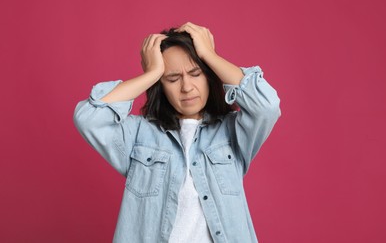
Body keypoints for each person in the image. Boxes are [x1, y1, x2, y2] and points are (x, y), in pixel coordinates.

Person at [73, 22, 281, 243]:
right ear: (160, 86)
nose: (187, 87)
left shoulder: (231, 132)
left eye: (196, 73)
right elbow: (88, 118)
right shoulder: (138, 135)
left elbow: (266, 107)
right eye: (172, 78)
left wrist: (210, 55)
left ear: (209, 76)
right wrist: (151, 73)